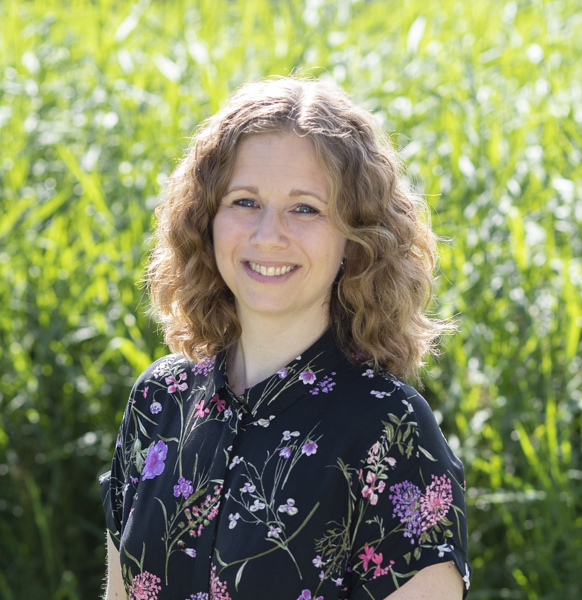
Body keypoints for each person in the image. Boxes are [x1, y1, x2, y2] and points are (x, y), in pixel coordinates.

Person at [100, 76, 471, 600]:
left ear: (357, 237)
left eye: (305, 208)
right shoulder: (159, 401)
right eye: (245, 201)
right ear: (205, 220)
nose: (268, 234)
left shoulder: (391, 430)